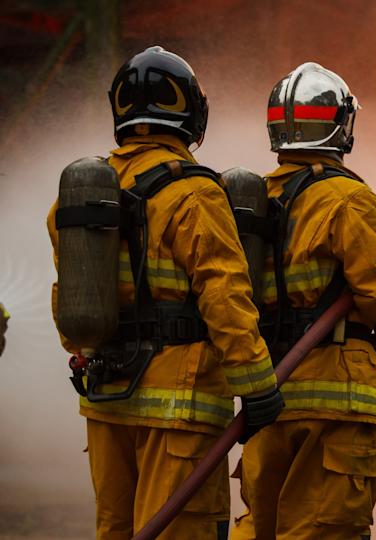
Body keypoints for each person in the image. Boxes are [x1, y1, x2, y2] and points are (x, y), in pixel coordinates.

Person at [46, 46, 283, 540]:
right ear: (190, 112)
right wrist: (257, 385)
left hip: (108, 397)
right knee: (181, 531)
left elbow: (72, 291)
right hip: (180, 406)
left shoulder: (85, 191)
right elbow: (225, 294)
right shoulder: (194, 193)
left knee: (116, 529)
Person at [233, 62, 376, 540]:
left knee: (258, 529)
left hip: (269, 401)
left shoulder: (254, 201)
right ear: (342, 125)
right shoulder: (347, 199)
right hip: (336, 406)